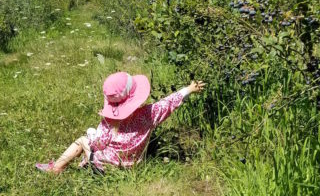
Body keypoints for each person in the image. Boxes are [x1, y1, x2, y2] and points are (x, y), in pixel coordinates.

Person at [35, 71, 205, 174]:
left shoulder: (109, 122)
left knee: (83, 140)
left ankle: (56, 168)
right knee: (92, 143)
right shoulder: (149, 114)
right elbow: (168, 102)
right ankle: (81, 165)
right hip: (132, 166)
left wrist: (91, 132)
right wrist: (189, 89)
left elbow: (98, 143)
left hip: (106, 166)